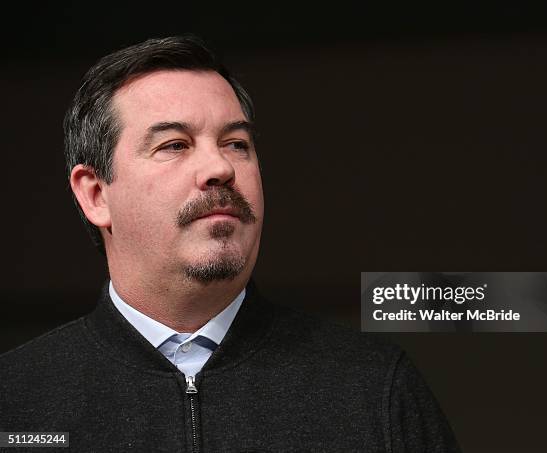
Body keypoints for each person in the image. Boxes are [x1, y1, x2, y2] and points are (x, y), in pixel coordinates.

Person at [0, 36, 461, 452]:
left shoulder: (375, 388)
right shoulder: (17, 398)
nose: (220, 167)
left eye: (236, 143)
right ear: (95, 195)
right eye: (175, 145)